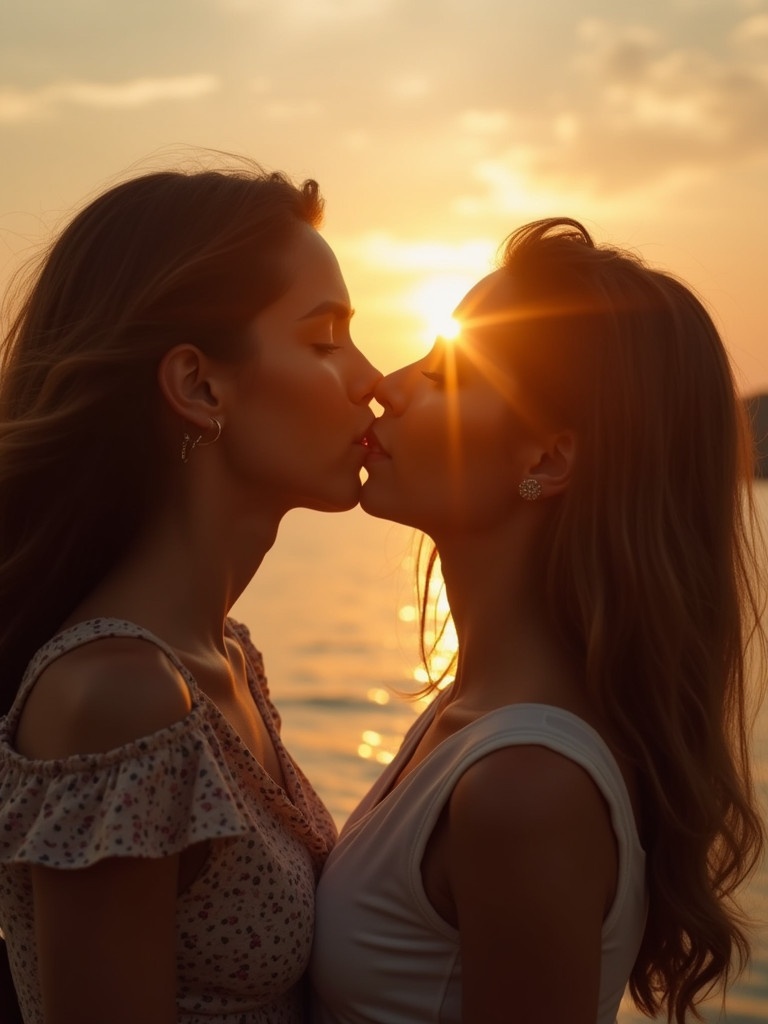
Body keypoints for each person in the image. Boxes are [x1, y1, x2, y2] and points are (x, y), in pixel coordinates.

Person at [311, 218, 766, 1024]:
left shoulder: (526, 789)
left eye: (449, 375)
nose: (391, 382)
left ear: (547, 460)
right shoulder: (468, 726)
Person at [0, 159, 381, 1023]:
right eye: (326, 340)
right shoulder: (117, 700)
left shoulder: (225, 659)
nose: (371, 380)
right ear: (200, 386)